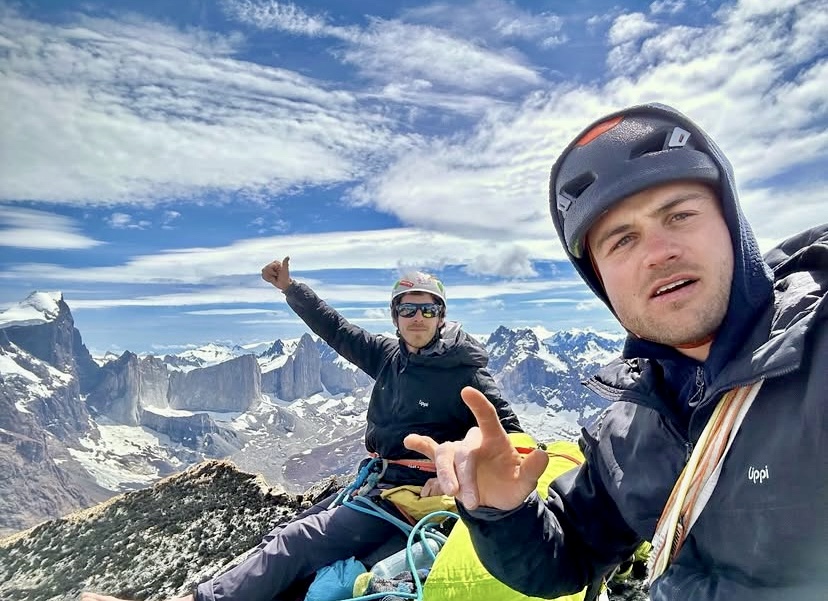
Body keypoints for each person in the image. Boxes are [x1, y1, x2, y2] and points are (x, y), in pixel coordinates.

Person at [404, 103, 828, 601]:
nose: (657, 252)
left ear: (733, 226)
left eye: (680, 214)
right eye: (622, 240)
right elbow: (566, 558)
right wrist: (502, 510)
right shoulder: (629, 428)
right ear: (600, 280)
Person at [82, 265, 523, 601]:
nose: (417, 317)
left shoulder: (464, 368)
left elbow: (510, 436)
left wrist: (461, 475)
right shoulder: (391, 356)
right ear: (395, 316)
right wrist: (290, 288)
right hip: (378, 479)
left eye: (428, 308)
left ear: (441, 316)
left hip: (407, 494)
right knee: (288, 529)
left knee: (297, 540)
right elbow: (336, 330)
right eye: (407, 308)